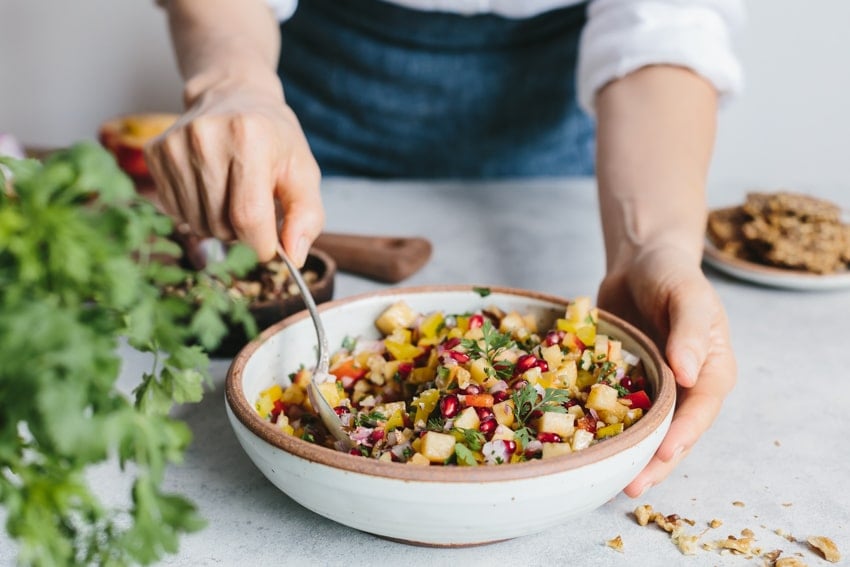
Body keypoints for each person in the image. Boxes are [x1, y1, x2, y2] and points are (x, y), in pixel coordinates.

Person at [146, 0, 741, 497]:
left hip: (571, 122)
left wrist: (654, 246)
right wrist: (232, 85)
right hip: (320, 106)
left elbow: (669, 22)